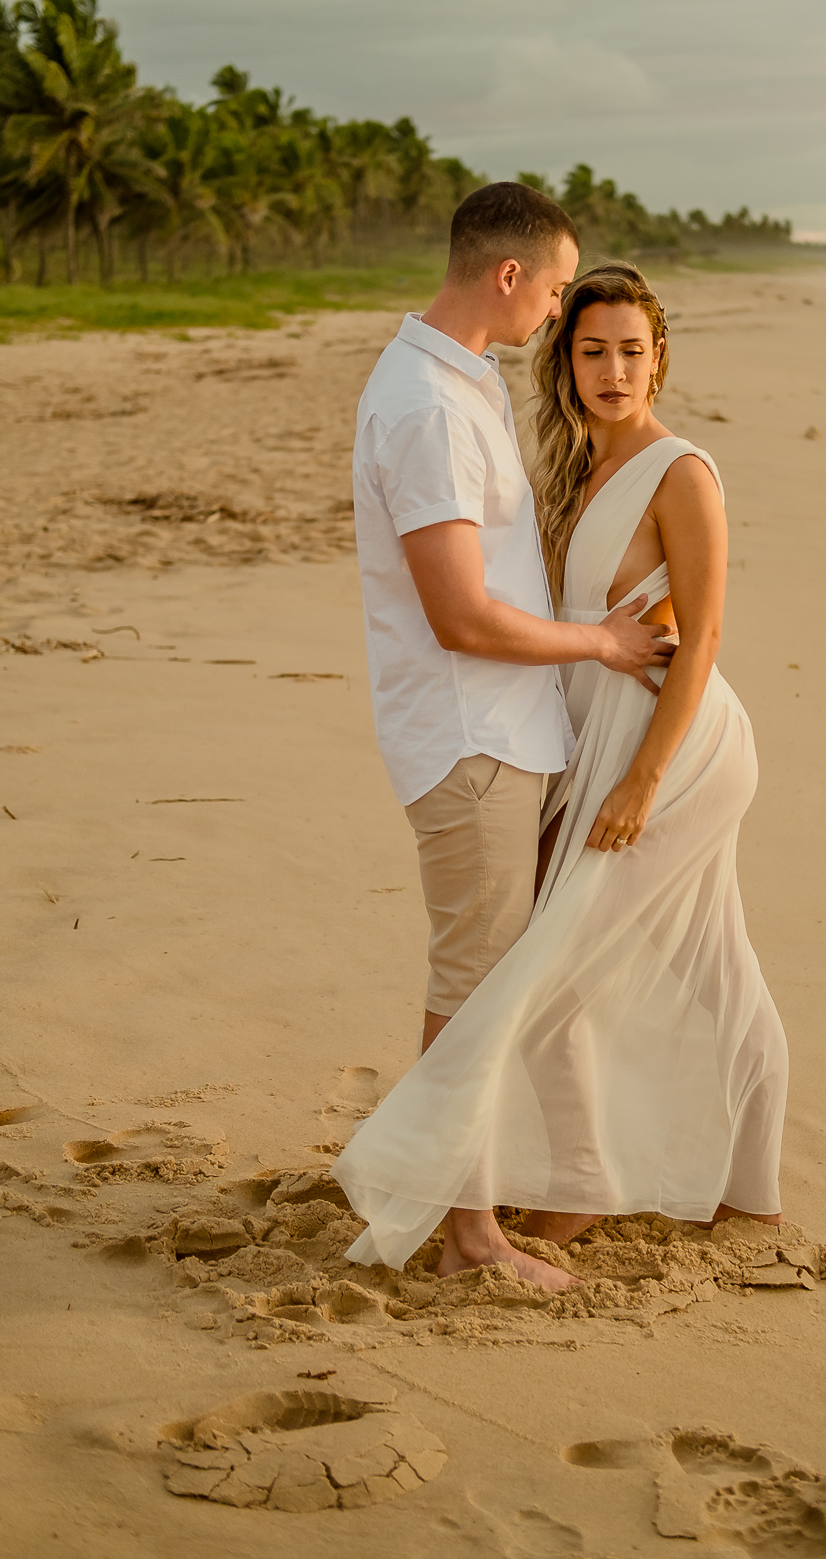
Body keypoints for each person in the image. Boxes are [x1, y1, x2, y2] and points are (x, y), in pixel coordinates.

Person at [334, 262, 789, 1288]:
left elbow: (704, 637)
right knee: (691, 962)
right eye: (592, 350)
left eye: (632, 350)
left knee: (586, 959)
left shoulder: (682, 472)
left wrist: (640, 781)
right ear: (566, 361)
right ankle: (671, 1179)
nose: (613, 371)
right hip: (597, 740)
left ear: (659, 356)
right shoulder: (577, 469)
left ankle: (667, 1184)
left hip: (673, 749)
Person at [348, 187, 675, 1292]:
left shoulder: (463, 382)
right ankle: (468, 1234)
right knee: (472, 985)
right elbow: (459, 614)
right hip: (471, 739)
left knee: (495, 977)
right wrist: (601, 644)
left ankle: (529, 1186)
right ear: (506, 276)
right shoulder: (428, 410)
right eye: (550, 287)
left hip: (506, 735)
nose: (550, 311)